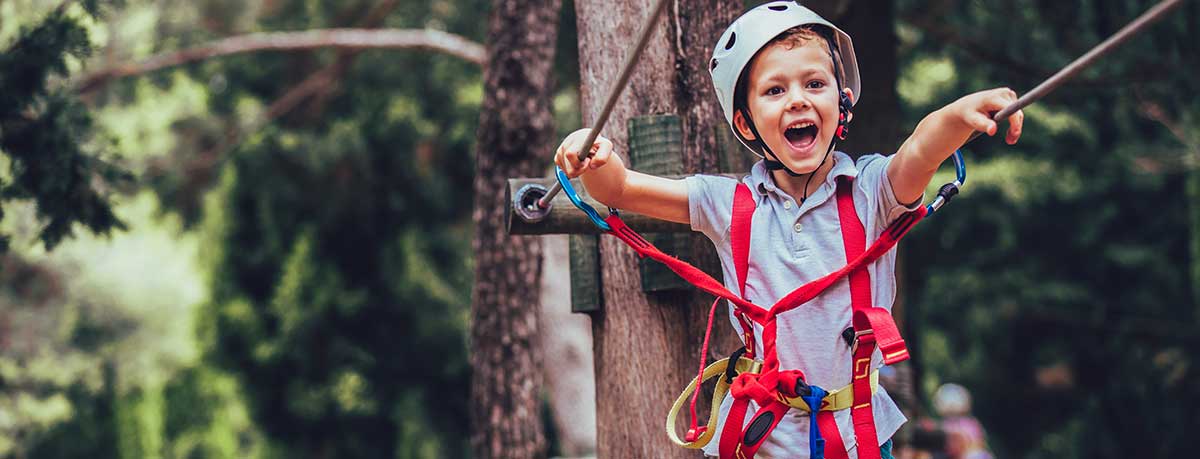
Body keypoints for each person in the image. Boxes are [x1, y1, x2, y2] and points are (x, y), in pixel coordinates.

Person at [553, 2, 1023, 458]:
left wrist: (956, 117)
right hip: (765, 434)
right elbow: (622, 188)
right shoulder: (729, 203)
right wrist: (592, 157)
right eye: (775, 91)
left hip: (855, 432)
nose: (798, 99)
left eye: (814, 83)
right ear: (746, 121)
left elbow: (920, 149)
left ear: (842, 104)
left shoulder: (872, 192)